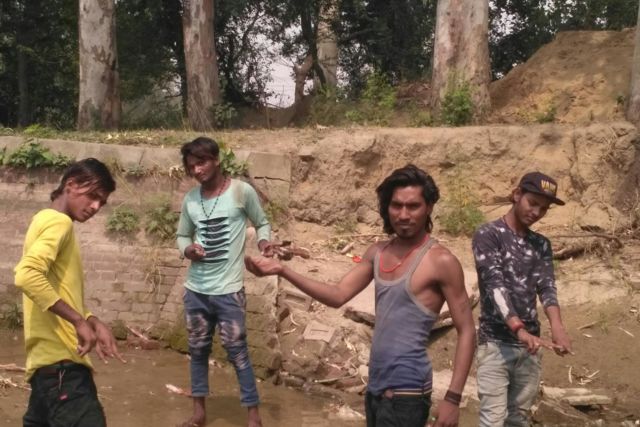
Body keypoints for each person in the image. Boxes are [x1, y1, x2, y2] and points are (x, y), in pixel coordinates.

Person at [245, 164, 476, 427]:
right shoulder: (377, 252)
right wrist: (282, 270)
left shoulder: (441, 261)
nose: (403, 214)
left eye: (413, 206)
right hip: (375, 389)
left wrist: (453, 398)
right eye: (396, 205)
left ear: (429, 207)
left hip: (408, 394)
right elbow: (337, 295)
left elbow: (467, 330)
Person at [14, 158, 124, 427]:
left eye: (102, 202)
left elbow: (56, 289)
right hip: (64, 367)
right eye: (92, 196)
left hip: (45, 371)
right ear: (71, 185)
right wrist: (77, 321)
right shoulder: (59, 223)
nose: (96, 206)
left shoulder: (43, 220)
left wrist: (92, 320)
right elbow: (27, 275)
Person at [176, 137, 274, 427]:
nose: (197, 170)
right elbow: (182, 235)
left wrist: (264, 242)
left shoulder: (241, 192)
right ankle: (199, 414)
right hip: (196, 291)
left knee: (238, 352)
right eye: (192, 166)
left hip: (229, 292)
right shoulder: (190, 199)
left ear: (216, 160)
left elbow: (262, 223)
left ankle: (253, 417)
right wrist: (188, 250)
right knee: (197, 351)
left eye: (202, 162)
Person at [473, 171, 573, 427]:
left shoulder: (541, 244)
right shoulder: (489, 235)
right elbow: (494, 286)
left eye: (544, 208)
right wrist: (518, 329)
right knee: (493, 420)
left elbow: (547, 288)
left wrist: (558, 328)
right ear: (517, 195)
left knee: (519, 420)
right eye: (533, 203)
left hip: (530, 347)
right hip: (495, 344)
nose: (537, 212)